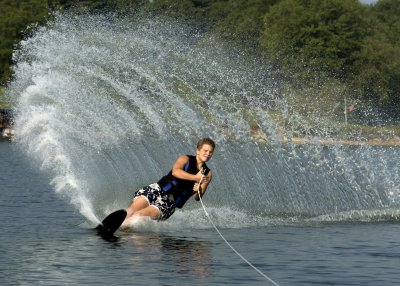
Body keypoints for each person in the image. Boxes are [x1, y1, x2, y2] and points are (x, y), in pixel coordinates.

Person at [121, 138, 215, 228]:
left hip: (168, 203)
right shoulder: (185, 159)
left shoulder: (207, 173)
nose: (208, 154)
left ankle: (120, 229)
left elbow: (198, 198)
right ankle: (116, 225)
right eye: (205, 150)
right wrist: (195, 177)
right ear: (198, 151)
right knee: (132, 210)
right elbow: (175, 171)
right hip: (157, 190)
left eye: (210, 152)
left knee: (139, 215)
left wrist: (199, 190)